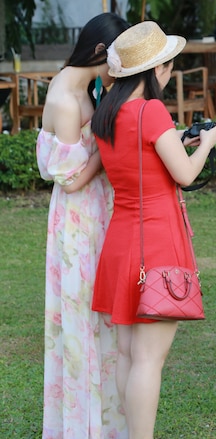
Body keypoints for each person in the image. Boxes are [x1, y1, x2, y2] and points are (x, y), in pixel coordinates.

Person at [90, 21, 216, 437]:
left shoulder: (108, 112)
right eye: (167, 65)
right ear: (156, 69)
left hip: (123, 238)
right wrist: (206, 146)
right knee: (149, 359)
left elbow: (142, 158)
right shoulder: (151, 110)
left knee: (129, 354)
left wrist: (179, 140)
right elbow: (182, 175)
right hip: (158, 240)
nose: (169, 72)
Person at [36, 12, 130, 439]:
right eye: (117, 56)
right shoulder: (65, 99)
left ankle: (105, 422)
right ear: (99, 52)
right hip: (77, 219)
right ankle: (81, 427)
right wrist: (105, 151)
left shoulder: (85, 86)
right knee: (79, 320)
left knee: (101, 317)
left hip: (96, 210)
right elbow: (70, 180)